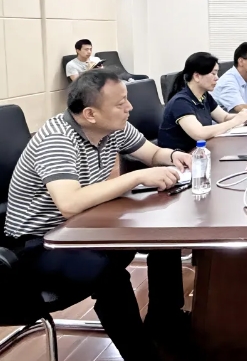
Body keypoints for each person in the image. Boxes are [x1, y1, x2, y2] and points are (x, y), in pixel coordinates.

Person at [4, 69, 195, 361]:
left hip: (84, 227)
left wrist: (171, 156)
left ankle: (164, 320)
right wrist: (136, 177)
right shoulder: (57, 139)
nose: (129, 107)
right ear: (90, 114)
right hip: (38, 244)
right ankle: (143, 356)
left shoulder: (114, 127)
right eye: (120, 103)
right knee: (109, 276)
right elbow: (69, 203)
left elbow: (151, 153)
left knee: (164, 236)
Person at [158, 52, 247, 152]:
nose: (217, 78)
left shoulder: (204, 96)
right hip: (179, 157)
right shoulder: (180, 102)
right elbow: (199, 134)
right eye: (213, 73)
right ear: (197, 76)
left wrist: (242, 115)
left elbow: (224, 117)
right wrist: (235, 121)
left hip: (199, 152)